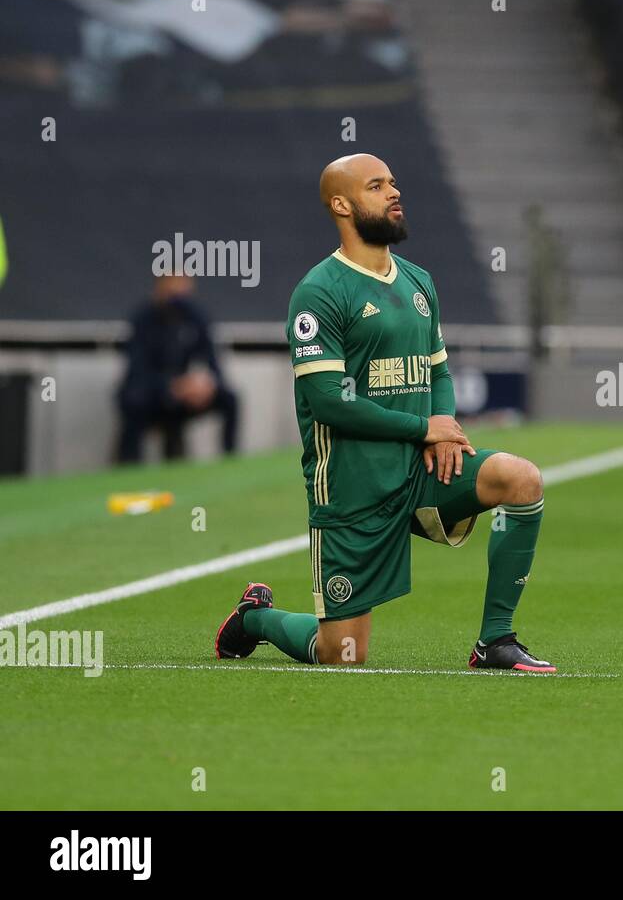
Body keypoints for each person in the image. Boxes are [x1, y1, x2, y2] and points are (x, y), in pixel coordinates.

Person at [214, 153, 553, 671]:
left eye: (393, 183)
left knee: (521, 479)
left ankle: (495, 641)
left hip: (420, 472)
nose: (394, 193)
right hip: (354, 486)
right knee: (343, 655)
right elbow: (329, 401)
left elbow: (438, 371)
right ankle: (255, 619)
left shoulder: (418, 282)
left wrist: (443, 432)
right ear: (342, 205)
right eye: (377, 187)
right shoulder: (319, 292)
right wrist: (424, 427)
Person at [116, 274, 239, 463]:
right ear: (160, 288)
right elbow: (137, 371)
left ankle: (230, 461)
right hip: (150, 392)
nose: (178, 297)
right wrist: (170, 385)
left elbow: (211, 362)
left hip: (185, 394)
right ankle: (127, 464)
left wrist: (204, 385)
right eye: (173, 290)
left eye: (183, 291)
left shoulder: (195, 317)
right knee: (135, 401)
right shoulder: (142, 320)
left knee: (230, 399)